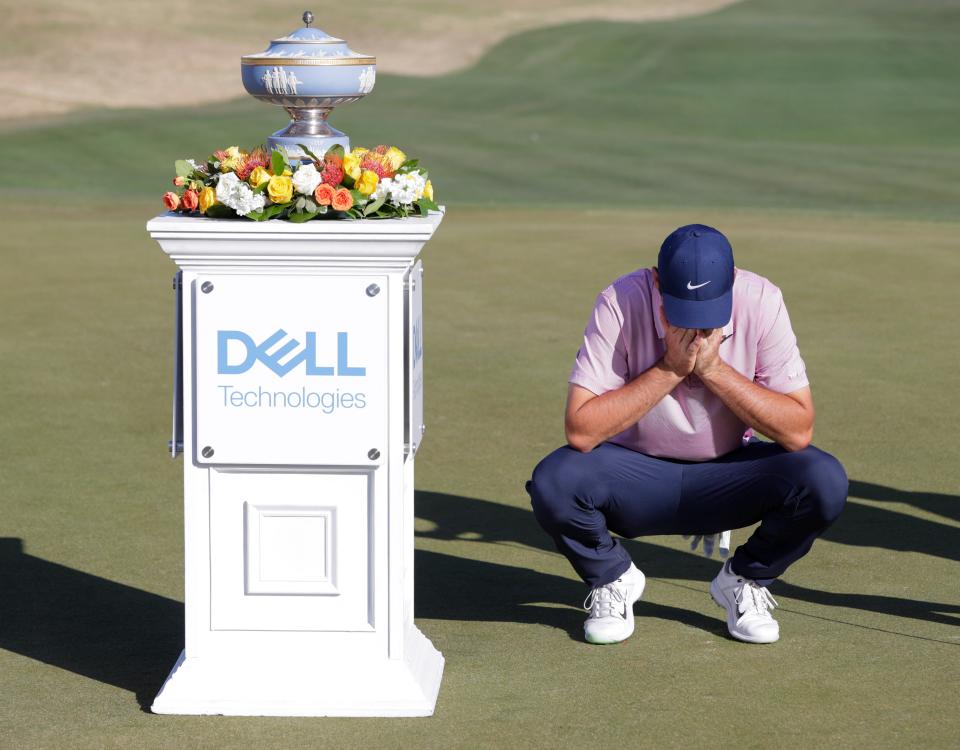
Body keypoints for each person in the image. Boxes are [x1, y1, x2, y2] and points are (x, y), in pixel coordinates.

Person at [525, 224, 847, 645]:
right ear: (657, 283)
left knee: (823, 479)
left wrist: (714, 370)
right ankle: (612, 578)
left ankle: (745, 580)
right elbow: (581, 430)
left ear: (732, 282)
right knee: (555, 481)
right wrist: (671, 369)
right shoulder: (620, 301)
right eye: (681, 312)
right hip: (633, 478)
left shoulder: (761, 299)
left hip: (729, 478)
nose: (696, 329)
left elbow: (798, 429)